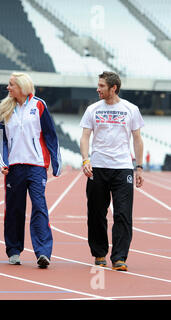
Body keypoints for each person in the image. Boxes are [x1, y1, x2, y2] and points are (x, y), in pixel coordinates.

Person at [80, 71, 144, 272]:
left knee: (123, 214)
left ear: (113, 88)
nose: (98, 89)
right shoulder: (92, 109)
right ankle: (99, 253)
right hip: (98, 167)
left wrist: (139, 167)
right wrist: (85, 160)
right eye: (98, 85)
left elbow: (137, 139)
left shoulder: (131, 109)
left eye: (101, 86)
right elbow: (84, 137)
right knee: (96, 212)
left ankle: (119, 257)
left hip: (122, 167)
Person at [0, 72, 61, 268]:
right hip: (14, 167)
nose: (8, 88)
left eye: (11, 85)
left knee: (39, 206)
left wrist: (56, 162)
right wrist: (3, 162)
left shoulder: (39, 105)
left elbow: (50, 134)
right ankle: (14, 250)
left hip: (37, 166)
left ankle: (43, 252)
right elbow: (1, 141)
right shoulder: (5, 108)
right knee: (14, 208)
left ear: (22, 87)